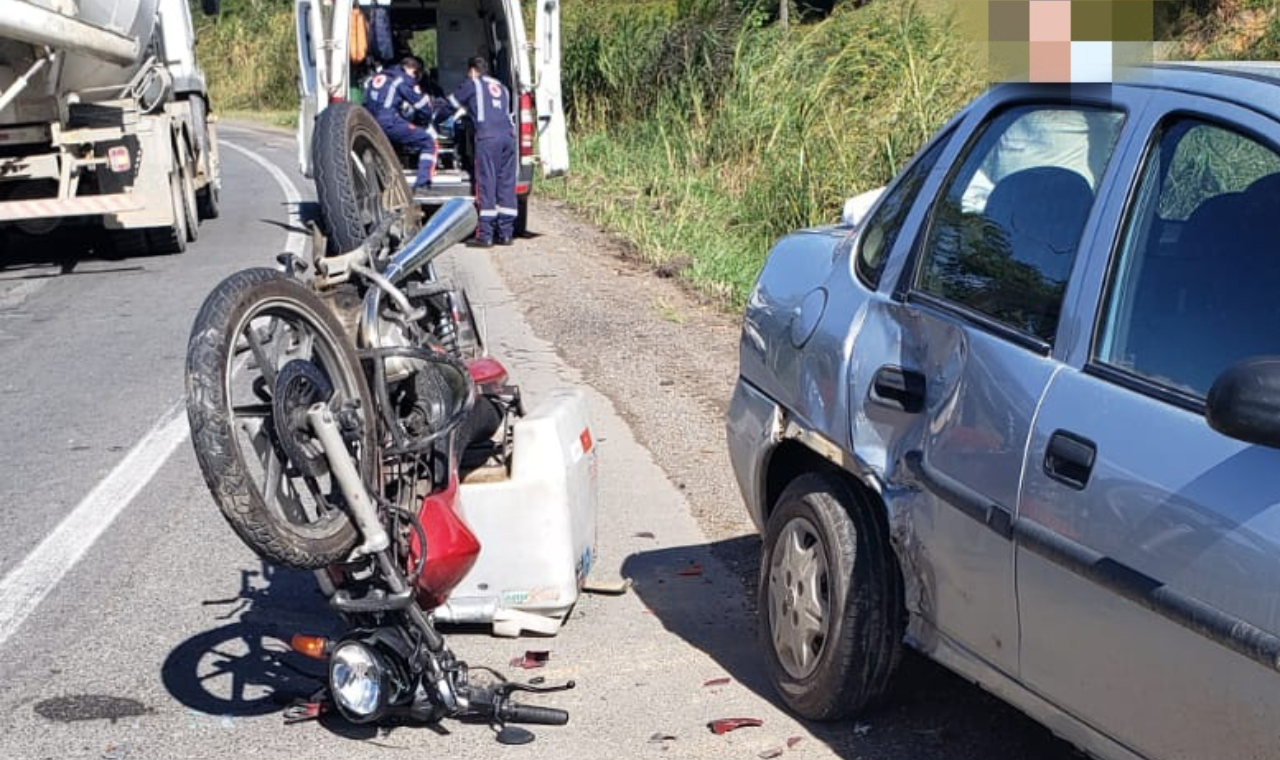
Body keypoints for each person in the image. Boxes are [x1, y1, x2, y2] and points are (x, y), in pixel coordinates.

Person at [448, 56, 518, 247]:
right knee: (506, 183)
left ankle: (485, 235)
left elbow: (450, 104)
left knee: (487, 183)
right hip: (508, 138)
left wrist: (434, 116)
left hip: (488, 138)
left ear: (472, 71)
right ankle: (506, 233)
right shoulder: (502, 87)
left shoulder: (473, 84)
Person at [363, 56, 444, 196]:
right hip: (389, 123)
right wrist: (423, 119)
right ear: (413, 71)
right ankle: (422, 185)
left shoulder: (378, 77)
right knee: (428, 142)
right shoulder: (401, 80)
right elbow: (423, 108)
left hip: (371, 123)